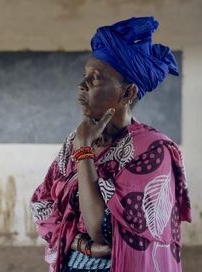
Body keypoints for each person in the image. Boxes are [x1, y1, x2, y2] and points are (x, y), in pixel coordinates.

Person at [31, 17, 191, 272]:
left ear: (128, 94)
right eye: (84, 76)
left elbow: (101, 230)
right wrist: (83, 246)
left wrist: (84, 152)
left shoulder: (153, 150)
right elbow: (42, 207)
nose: (82, 86)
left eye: (95, 79)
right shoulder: (74, 141)